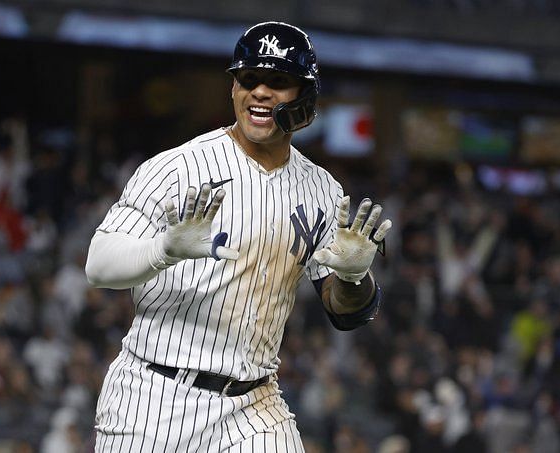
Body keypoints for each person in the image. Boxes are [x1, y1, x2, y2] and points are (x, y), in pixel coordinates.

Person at [85, 21, 392, 452]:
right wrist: (163, 250)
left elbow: (345, 313)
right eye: (249, 79)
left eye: (278, 81)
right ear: (233, 89)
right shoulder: (176, 168)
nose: (261, 92)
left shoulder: (323, 191)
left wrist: (356, 277)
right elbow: (98, 267)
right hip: (154, 395)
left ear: (305, 96)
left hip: (254, 403)